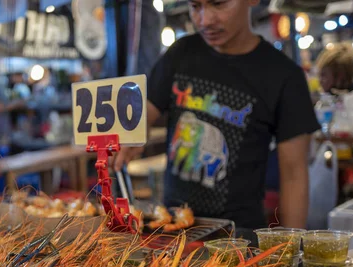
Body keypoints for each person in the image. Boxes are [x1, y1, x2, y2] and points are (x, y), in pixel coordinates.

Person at [115, 0, 319, 230]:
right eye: (195, 6)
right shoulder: (180, 54)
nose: (205, 20)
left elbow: (294, 175)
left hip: (238, 236)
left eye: (219, 4)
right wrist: (131, 135)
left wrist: (293, 248)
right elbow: (143, 115)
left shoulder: (284, 76)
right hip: (172, 229)